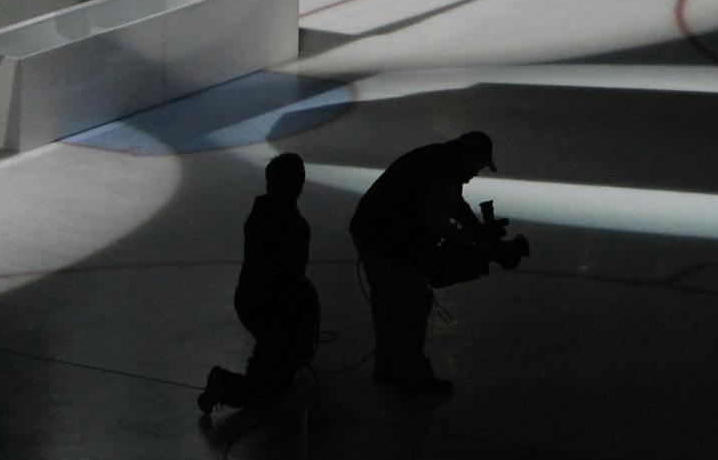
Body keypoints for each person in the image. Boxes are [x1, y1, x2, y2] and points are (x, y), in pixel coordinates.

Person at [348, 131, 515, 396]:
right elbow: (436, 223)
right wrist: (469, 239)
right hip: (383, 239)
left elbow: (454, 205)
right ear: (467, 158)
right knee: (413, 302)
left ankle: (388, 366)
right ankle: (413, 376)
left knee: (387, 304)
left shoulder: (440, 159)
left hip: (369, 229)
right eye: (478, 166)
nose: (476, 174)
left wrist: (475, 230)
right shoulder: (443, 175)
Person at [200, 154, 320, 415]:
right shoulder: (292, 225)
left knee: (274, 362)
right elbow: (288, 276)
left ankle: (259, 367)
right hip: (270, 305)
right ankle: (225, 383)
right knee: (271, 388)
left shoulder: (261, 214)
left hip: (254, 300)